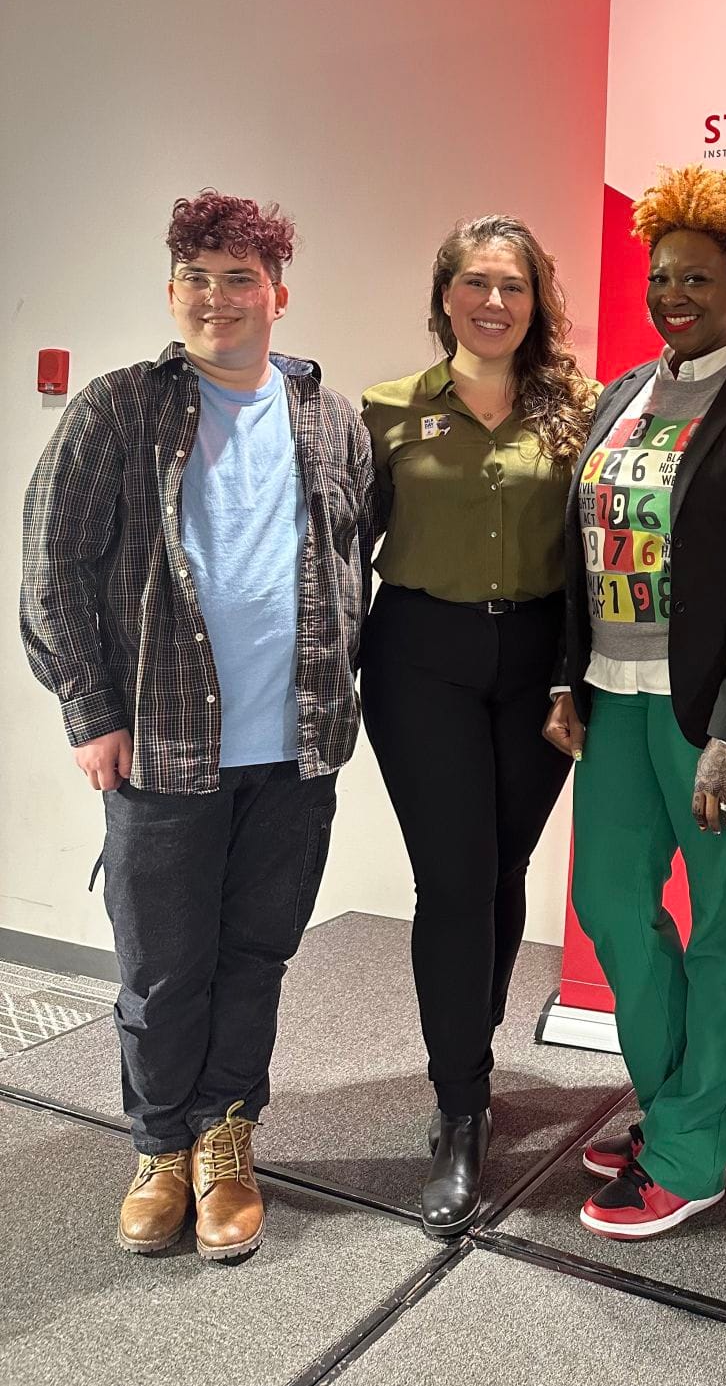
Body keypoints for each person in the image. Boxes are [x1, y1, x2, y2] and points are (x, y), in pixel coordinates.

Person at [21, 190, 375, 1261]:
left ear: (278, 293)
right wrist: (90, 710)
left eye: (238, 277)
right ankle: (157, 1147)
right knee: (162, 967)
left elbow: (357, 556)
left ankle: (226, 1137)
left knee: (254, 956)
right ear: (172, 291)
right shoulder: (119, 408)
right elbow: (52, 570)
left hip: (294, 749)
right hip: (163, 744)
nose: (216, 297)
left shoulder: (331, 418)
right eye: (196, 277)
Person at [543, 165, 726, 1240]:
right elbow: (582, 548)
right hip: (614, 700)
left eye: (698, 279)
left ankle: (693, 1150)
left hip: (717, 721)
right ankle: (672, 1103)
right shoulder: (620, 394)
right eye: (662, 277)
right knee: (612, 903)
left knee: (720, 929)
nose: (675, 295)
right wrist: (570, 674)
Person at [360, 215, 595, 1238]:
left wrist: (575, 678)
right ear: (444, 294)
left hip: (537, 667)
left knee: (499, 866)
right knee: (454, 877)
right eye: (475, 283)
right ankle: (460, 1104)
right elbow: (335, 547)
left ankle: (471, 1050)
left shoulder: (577, 414)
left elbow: (595, 557)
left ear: (536, 302)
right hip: (419, 660)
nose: (493, 302)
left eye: (513, 286)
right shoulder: (381, 413)